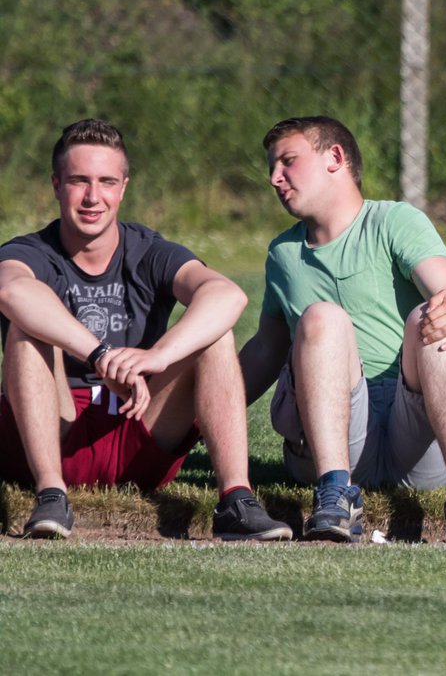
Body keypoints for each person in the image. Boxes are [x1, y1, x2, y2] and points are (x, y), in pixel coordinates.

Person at [0, 119, 291, 541]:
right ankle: (50, 494)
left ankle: (236, 500)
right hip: (51, 429)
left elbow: (227, 295)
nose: (93, 197)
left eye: (106, 181)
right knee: (27, 332)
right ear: (56, 185)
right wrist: (100, 355)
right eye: (79, 181)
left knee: (215, 335)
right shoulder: (29, 251)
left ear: (124, 187)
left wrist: (158, 356)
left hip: (137, 423)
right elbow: (11, 291)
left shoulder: (149, 250)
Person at [238, 116, 446, 543]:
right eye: (272, 167)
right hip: (333, 429)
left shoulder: (393, 221)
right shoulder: (282, 254)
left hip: (417, 429)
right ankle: (334, 493)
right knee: (322, 318)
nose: (275, 178)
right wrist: (199, 417)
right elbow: (265, 351)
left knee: (431, 315)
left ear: (336, 158)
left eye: (288, 161)